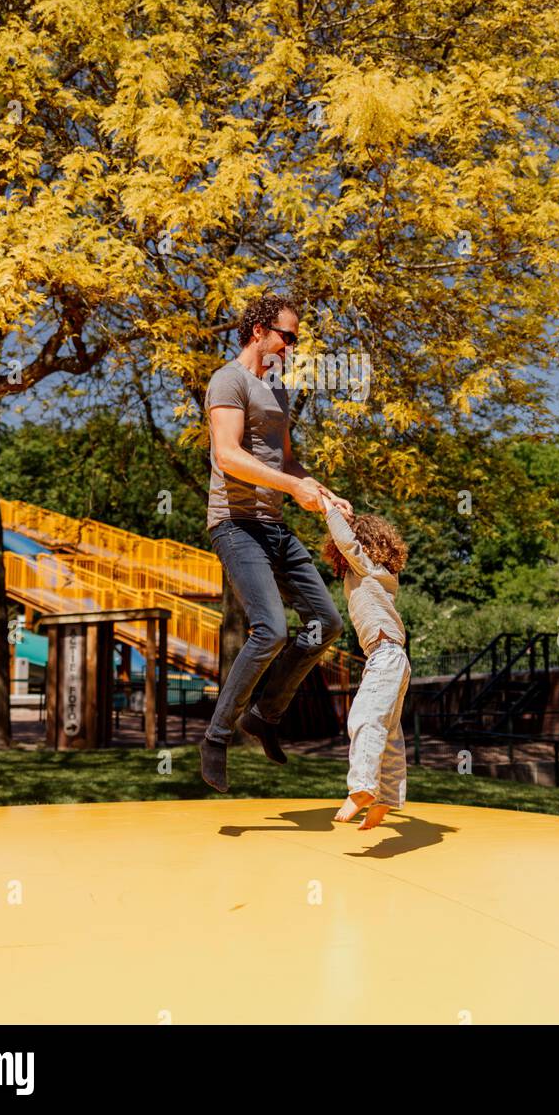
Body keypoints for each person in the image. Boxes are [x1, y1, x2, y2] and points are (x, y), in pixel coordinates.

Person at [200, 293, 352, 793]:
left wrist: (325, 494)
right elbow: (227, 455)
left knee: (325, 622)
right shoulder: (229, 380)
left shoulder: (277, 392)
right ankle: (217, 737)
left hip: (274, 527)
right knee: (271, 630)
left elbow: (287, 464)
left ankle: (265, 715)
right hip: (236, 525)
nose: (291, 346)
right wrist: (292, 487)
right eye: (287, 336)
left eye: (295, 339)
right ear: (259, 330)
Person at [319, 492, 410, 830]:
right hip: (394, 659)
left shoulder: (368, 568)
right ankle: (386, 798)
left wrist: (329, 510)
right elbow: (348, 546)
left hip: (385, 658)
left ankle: (362, 787)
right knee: (389, 734)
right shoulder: (382, 573)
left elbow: (346, 542)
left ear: (364, 545)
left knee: (364, 718)